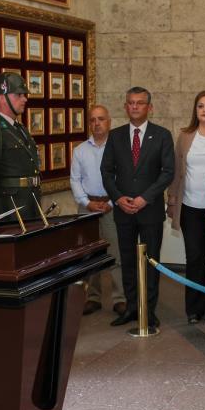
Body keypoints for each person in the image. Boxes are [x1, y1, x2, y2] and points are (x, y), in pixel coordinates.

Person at [101, 87, 175, 328]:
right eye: (130, 103)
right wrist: (118, 197)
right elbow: (107, 171)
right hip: (123, 210)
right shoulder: (115, 136)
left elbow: (167, 173)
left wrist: (145, 198)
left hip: (149, 210)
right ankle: (131, 308)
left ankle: (148, 310)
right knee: (128, 261)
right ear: (125, 107)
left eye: (140, 103)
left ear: (149, 107)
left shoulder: (162, 135)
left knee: (151, 261)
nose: (134, 107)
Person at [167, 91, 205, 325]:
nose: (204, 110)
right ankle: (194, 308)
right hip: (190, 207)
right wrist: (172, 200)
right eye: (200, 106)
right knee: (194, 258)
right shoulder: (185, 136)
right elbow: (176, 171)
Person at [70, 105, 126, 317]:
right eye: (92, 120)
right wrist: (86, 202)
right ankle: (92, 297)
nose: (97, 123)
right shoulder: (80, 150)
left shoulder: (118, 148)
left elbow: (123, 178)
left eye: (101, 119)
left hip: (112, 206)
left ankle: (120, 299)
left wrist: (111, 202)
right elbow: (75, 180)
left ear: (109, 121)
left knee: (115, 253)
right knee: (89, 255)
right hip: (87, 208)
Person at [0, 72, 42, 220]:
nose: (24, 99)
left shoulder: (20, 129)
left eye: (24, 95)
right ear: (2, 97)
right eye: (18, 95)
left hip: (30, 205)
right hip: (10, 210)